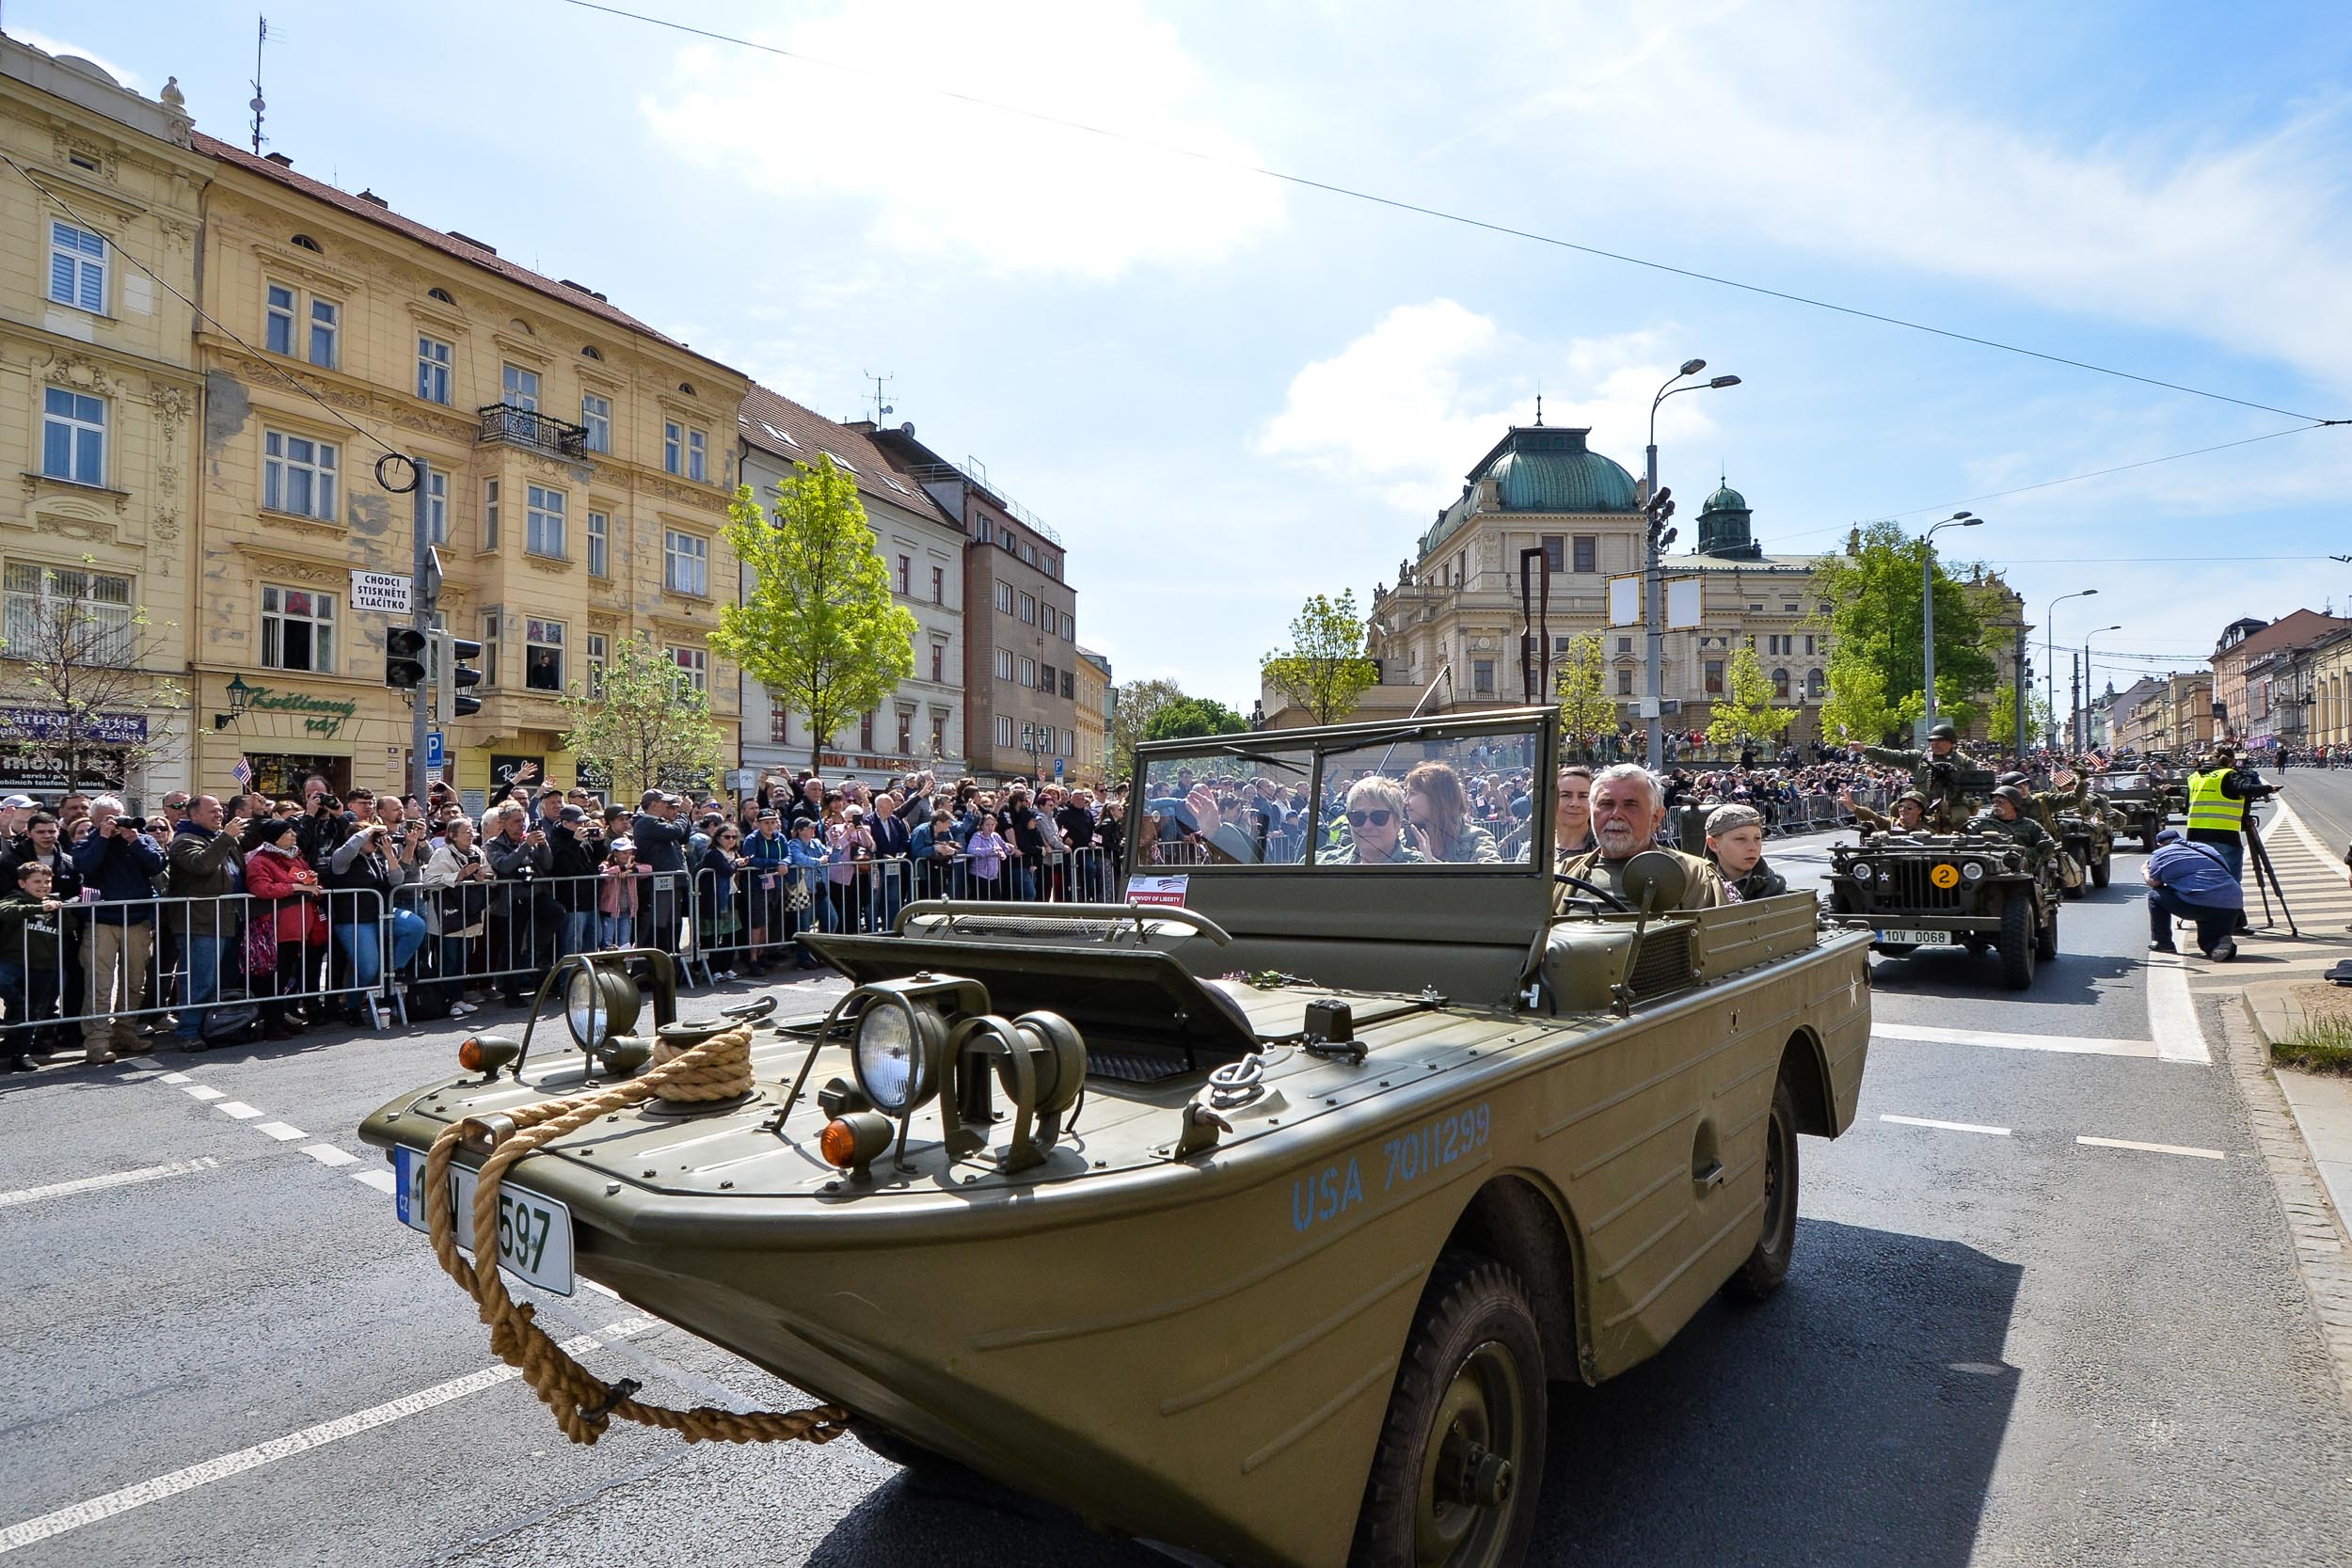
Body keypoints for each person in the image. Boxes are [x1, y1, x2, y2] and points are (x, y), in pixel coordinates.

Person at [71, 797, 166, 1063]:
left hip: (136, 921)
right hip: (101, 922)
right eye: (109, 817)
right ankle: (97, 1043)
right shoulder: (86, 840)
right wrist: (102, 837)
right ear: (96, 819)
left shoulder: (141, 839)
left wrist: (134, 840)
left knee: (135, 983)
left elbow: (157, 865)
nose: (117, 822)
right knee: (100, 986)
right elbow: (84, 866)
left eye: (119, 815)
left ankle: (125, 1033)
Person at [1555, 765, 1726, 911]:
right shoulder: (1563, 875)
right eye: (1606, 804)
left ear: (1656, 817)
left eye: (1631, 806)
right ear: (1592, 812)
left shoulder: (1695, 875)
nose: (1616, 815)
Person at [243, 817, 326, 1038]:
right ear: (275, 838)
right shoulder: (260, 861)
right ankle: (272, 1024)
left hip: (298, 926)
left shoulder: (296, 857)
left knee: (287, 976)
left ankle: (281, 1018)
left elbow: (308, 880)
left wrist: (312, 884)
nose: (294, 835)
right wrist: (295, 887)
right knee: (273, 980)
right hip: (275, 928)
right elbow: (261, 888)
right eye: (288, 833)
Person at [2186, 743, 2273, 936]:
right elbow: (2246, 788)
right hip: (2224, 836)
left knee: (2204, 878)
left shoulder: (2195, 776)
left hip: (2196, 837)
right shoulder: (2228, 775)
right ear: (2232, 761)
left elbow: (2187, 806)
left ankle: (2205, 919)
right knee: (2231, 882)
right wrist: (2268, 788)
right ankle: (2235, 923)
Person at [420, 814, 493, 1017]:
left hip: (469, 913)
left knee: (463, 958)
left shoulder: (477, 851)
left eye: (472, 831)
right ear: (452, 835)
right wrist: (459, 875)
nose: (471, 835)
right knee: (448, 959)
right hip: (447, 915)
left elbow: (489, 875)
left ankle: (458, 997)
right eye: (466, 832)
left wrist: (481, 876)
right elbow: (428, 880)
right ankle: (447, 1001)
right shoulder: (441, 854)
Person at [0, 859, 66, 1069]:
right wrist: (37, 907)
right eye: (37, 881)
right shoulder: (16, 898)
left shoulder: (53, 902)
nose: (43, 886)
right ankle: (16, 1011)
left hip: (43, 965)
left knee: (32, 1011)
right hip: (14, 960)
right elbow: (5, 910)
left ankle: (21, 1053)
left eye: (47, 881)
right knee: (6, 986)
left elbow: (69, 926)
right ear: (22, 883)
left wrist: (61, 910)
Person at [1848, 721, 1975, 830]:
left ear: (1951, 742)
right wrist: (1865, 750)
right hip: (1923, 803)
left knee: (1960, 818)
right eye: (1932, 740)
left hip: (1954, 802)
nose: (1935, 744)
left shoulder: (1964, 762)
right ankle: (1899, 837)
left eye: (1940, 740)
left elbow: (1976, 785)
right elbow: (1893, 756)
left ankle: (1958, 846)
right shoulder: (1920, 758)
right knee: (1896, 809)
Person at [2143, 828, 2240, 961]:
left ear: (2160, 844)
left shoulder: (2160, 853)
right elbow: (2226, 871)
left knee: (2155, 895)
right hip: (2231, 902)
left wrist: (2144, 872)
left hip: (2198, 902)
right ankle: (2220, 943)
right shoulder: (2206, 848)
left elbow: (2154, 882)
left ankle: (2163, 943)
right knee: (2208, 943)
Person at [630, 790, 690, 959]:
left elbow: (683, 835)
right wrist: (684, 813)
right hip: (656, 885)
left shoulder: (661, 822)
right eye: (665, 803)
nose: (668, 806)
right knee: (655, 927)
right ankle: (646, 967)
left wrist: (683, 816)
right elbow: (675, 832)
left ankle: (671, 962)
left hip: (673, 883)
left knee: (673, 924)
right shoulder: (645, 823)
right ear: (654, 804)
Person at [1404, 761, 1499, 863]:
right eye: (1406, 793)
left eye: (1412, 793)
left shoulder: (1477, 838)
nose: (1405, 801)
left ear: (1437, 798)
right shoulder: (1402, 839)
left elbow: (1491, 876)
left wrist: (1431, 862)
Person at [1319, 776, 1425, 866]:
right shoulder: (1322, 864)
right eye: (1357, 818)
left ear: (1397, 822)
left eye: (1378, 817)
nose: (1367, 826)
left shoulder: (1422, 869)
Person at [1705, 804, 1787, 902]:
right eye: (1740, 839)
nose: (1752, 847)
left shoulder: (1772, 884)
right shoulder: (1697, 881)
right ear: (1714, 844)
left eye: (1757, 838)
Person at [698, 823, 744, 979]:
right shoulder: (713, 854)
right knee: (713, 936)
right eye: (727, 837)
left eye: (734, 837)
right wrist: (736, 864)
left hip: (731, 897)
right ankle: (713, 970)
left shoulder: (733, 853)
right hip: (714, 899)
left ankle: (727, 967)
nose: (731, 840)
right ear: (718, 838)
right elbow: (727, 870)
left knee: (731, 935)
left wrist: (737, 862)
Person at [596, 836, 647, 951]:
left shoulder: (633, 865)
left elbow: (648, 869)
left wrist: (631, 870)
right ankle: (606, 966)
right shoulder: (606, 864)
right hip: (609, 911)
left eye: (630, 852)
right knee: (607, 942)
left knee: (624, 943)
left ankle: (621, 965)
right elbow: (604, 874)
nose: (628, 856)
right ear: (615, 853)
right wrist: (621, 868)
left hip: (626, 911)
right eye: (624, 853)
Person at [1846, 789, 1931, 835]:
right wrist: (1854, 808)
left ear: (1920, 810)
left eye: (1909, 807)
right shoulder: (1891, 823)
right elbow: (1874, 817)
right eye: (1901, 806)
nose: (1903, 810)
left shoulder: (1930, 827)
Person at [1555, 764, 1596, 858]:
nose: (1575, 804)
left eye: (1583, 796)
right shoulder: (1534, 848)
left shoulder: (1605, 851)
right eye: (1565, 795)